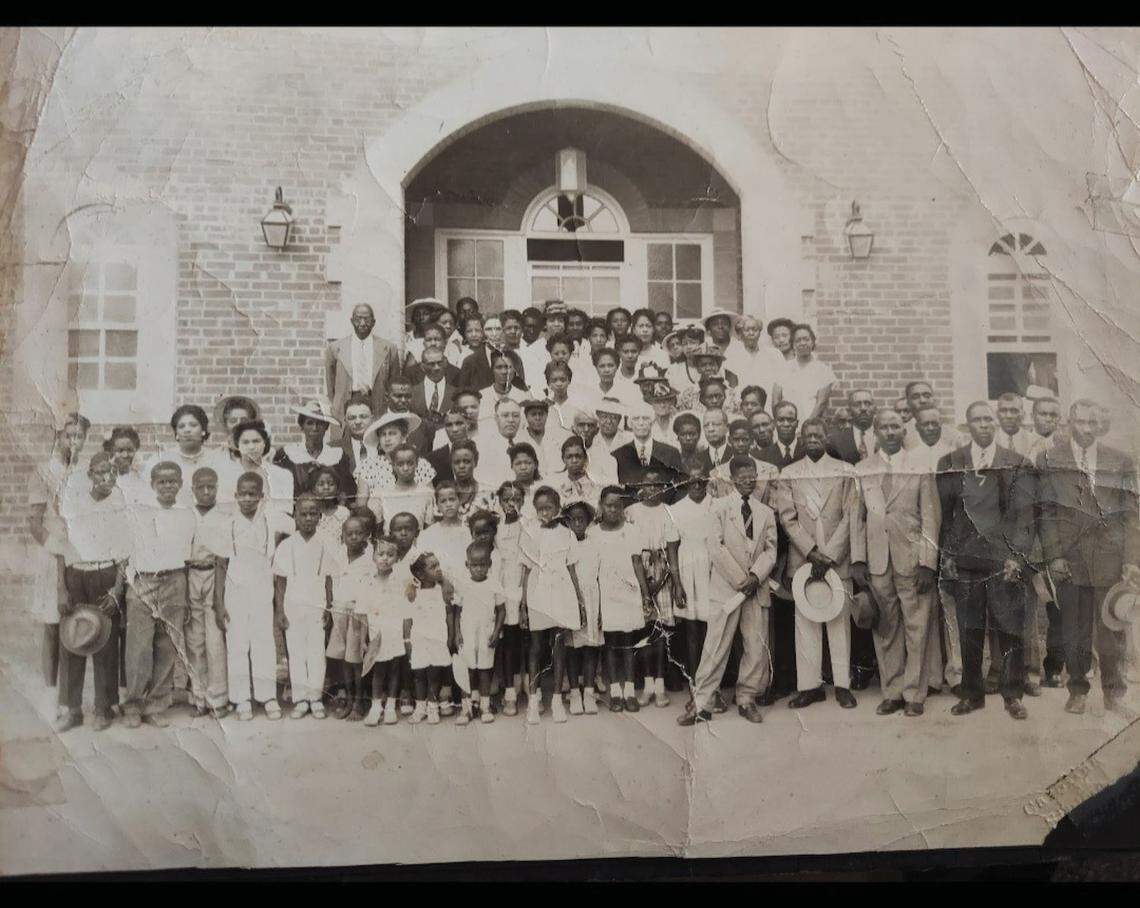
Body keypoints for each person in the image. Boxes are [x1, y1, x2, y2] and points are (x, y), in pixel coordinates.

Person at [1037, 400, 1140, 716]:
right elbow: (1046, 513)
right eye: (1080, 422)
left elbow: (1131, 515)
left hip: (1109, 559)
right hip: (1070, 559)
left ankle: (1114, 693)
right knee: (1074, 629)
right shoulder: (1050, 459)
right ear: (1068, 422)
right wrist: (1053, 555)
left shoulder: (1120, 461)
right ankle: (1077, 689)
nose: (1086, 429)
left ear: (1100, 425)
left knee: (1113, 629)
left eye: (1092, 423)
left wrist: (1131, 559)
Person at [937, 401, 1036, 721]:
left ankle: (1012, 695)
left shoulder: (1016, 462)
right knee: (969, 629)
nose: (983, 424)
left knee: (1009, 629)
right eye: (976, 420)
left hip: (1002, 560)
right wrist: (948, 556)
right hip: (966, 560)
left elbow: (1024, 517)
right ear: (968, 425)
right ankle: (972, 694)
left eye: (988, 420)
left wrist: (1016, 558)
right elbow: (945, 516)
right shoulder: (950, 462)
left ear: (995, 424)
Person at [850, 409, 941, 716]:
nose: (889, 432)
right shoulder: (863, 469)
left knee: (917, 625)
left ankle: (915, 693)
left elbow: (930, 517)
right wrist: (858, 559)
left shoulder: (919, 467)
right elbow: (857, 519)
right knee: (886, 627)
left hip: (912, 559)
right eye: (884, 427)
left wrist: (929, 563)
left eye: (895, 427)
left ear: (904, 430)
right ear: (875, 432)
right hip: (877, 561)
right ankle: (893, 690)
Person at [678, 456, 778, 725]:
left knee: (755, 646)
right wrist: (740, 579)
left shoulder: (765, 512)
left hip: (755, 588)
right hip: (726, 587)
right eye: (742, 476)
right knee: (715, 645)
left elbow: (771, 550)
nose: (748, 481)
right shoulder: (718, 508)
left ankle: (746, 698)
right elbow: (716, 547)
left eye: (752, 475)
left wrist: (756, 576)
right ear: (732, 479)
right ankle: (702, 703)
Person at [774, 419, 859, 711]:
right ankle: (809, 686)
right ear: (800, 439)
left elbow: (850, 516)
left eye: (818, 435)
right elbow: (788, 518)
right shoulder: (789, 474)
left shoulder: (845, 471)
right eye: (807, 435)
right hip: (804, 558)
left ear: (826, 438)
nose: (812, 439)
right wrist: (811, 552)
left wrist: (831, 553)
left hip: (837, 557)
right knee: (806, 622)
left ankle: (842, 685)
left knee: (839, 622)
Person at [54, 452, 129, 732]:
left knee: (105, 641)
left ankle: (103, 707)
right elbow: (61, 549)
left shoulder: (120, 505)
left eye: (110, 473)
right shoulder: (73, 503)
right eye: (100, 472)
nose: (106, 478)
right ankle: (71, 709)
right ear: (90, 475)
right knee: (72, 638)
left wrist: (117, 589)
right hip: (76, 574)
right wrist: (61, 588)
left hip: (105, 574)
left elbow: (125, 553)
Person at [209, 471, 291, 721]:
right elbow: (221, 565)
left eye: (252, 494)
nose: (246, 499)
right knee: (237, 645)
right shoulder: (228, 524)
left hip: (262, 589)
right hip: (235, 591)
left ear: (261, 496)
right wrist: (219, 602)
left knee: (263, 643)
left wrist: (280, 542)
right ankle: (241, 698)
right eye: (242, 494)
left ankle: (267, 697)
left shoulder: (271, 520)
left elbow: (294, 527)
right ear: (235, 496)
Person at [123, 461, 197, 728]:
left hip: (175, 579)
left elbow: (188, 555)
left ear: (180, 484)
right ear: (153, 484)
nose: (167, 486)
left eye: (172, 481)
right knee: (139, 647)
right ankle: (132, 704)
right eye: (162, 481)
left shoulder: (187, 514)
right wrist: (132, 583)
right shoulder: (139, 512)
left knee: (167, 646)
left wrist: (184, 590)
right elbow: (126, 549)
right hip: (143, 581)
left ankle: (155, 704)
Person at [29, 413, 89, 699]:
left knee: (76, 623)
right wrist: (58, 548)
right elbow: (34, 523)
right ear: (59, 437)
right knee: (52, 625)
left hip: (81, 555)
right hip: (54, 554)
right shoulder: (44, 471)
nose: (74, 441)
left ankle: (69, 694)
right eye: (69, 435)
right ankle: (49, 692)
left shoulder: (86, 472)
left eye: (79, 436)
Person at [519, 486, 586, 724]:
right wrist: (523, 606)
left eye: (548, 508)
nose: (544, 513)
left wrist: (579, 600)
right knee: (536, 646)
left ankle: (557, 698)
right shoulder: (529, 532)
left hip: (562, 591)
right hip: (537, 591)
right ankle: (534, 700)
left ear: (557, 509)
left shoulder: (566, 533)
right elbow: (526, 572)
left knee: (559, 643)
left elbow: (572, 569)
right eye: (540, 509)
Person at [273, 493, 341, 720]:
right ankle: (301, 698)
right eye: (304, 514)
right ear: (295, 516)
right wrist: (280, 611)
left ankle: (315, 697)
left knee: (316, 652)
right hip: (292, 604)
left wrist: (329, 608)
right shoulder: (286, 545)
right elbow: (280, 581)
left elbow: (330, 579)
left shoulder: (325, 544)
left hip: (317, 605)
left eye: (314, 514)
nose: (309, 518)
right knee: (296, 651)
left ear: (320, 516)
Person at [626, 467, 684, 707]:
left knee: (660, 633)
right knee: (644, 631)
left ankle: (660, 685)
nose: (652, 489)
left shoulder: (668, 512)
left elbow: (671, 550)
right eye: (648, 485)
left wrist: (675, 582)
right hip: (638, 570)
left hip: (663, 571)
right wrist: (643, 588)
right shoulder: (631, 512)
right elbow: (631, 553)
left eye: (658, 485)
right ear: (640, 486)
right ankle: (648, 684)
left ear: (664, 488)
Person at [592, 485, 654, 712]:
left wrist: (646, 595)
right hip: (605, 594)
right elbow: (593, 570)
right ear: (601, 506)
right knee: (611, 644)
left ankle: (629, 691)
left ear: (623, 507)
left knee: (628, 644)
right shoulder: (593, 533)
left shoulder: (632, 530)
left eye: (618, 505)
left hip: (628, 593)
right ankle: (615, 692)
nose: (613, 510)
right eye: (608, 505)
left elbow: (638, 563)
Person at [670, 469, 720, 709]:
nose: (697, 485)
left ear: (708, 481)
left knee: (714, 631)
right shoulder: (676, 509)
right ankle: (695, 688)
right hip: (688, 569)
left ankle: (713, 688)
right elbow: (671, 548)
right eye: (692, 481)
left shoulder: (718, 505)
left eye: (702, 481)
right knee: (692, 633)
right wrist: (677, 583)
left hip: (714, 570)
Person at [183, 467, 230, 718]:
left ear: (217, 487)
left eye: (210, 486)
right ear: (192, 489)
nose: (206, 491)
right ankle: (198, 696)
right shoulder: (186, 515)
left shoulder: (223, 515)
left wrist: (219, 597)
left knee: (214, 640)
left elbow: (223, 558)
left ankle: (218, 698)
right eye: (200, 487)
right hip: (190, 574)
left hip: (214, 574)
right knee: (194, 640)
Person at [449, 540, 506, 725]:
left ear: (489, 564)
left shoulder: (494, 584)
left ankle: (484, 706)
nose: (478, 569)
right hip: (467, 633)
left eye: (483, 565)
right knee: (467, 671)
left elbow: (501, 610)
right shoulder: (463, 584)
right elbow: (457, 612)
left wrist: (497, 632)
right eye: (474, 565)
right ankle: (467, 708)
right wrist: (457, 633)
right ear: (467, 565)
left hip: (486, 633)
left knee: (484, 670)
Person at [326, 303, 404, 435]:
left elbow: (393, 384)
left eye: (367, 319)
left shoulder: (388, 348)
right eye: (358, 319)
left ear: (373, 322)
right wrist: (338, 405)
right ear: (352, 321)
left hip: (376, 405)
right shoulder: (335, 348)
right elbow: (331, 385)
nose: (362, 323)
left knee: (375, 444)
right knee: (345, 448)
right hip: (346, 404)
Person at [329, 514, 373, 722]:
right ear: (343, 536)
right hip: (339, 609)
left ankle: (359, 699)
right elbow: (331, 581)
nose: (354, 537)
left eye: (359, 533)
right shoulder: (337, 554)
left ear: (366, 535)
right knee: (344, 659)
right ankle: (347, 697)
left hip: (359, 612)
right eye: (350, 534)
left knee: (357, 659)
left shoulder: (371, 556)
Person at [360, 536, 407, 726]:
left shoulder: (400, 581)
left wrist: (406, 636)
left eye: (390, 554)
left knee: (395, 669)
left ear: (396, 558)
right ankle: (376, 706)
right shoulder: (367, 582)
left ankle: (390, 707)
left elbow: (406, 611)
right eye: (381, 554)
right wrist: (363, 638)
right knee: (378, 671)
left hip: (395, 632)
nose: (385, 558)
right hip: (376, 633)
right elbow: (362, 613)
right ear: (373, 556)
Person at [405, 552, 456, 725]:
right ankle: (420, 707)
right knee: (419, 675)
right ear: (420, 574)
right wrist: (407, 641)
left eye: (438, 564)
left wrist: (450, 636)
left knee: (434, 676)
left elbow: (449, 615)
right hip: (419, 640)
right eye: (432, 567)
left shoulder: (442, 590)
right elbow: (408, 618)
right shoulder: (413, 592)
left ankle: (433, 706)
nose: (438, 569)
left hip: (437, 640)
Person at [355, 410, 435, 518]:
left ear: (403, 436)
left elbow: (431, 501)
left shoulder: (420, 464)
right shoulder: (367, 466)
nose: (387, 439)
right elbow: (361, 508)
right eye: (383, 434)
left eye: (392, 433)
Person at [492, 482, 528, 715]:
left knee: (522, 640)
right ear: (500, 501)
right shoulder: (496, 528)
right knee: (505, 643)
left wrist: (524, 599)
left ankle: (524, 684)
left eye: (516, 498)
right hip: (500, 586)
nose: (511, 503)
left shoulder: (527, 526)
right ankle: (509, 692)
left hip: (520, 586)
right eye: (506, 499)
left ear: (523, 502)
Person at [563, 500, 602, 716]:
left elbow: (598, 575)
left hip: (593, 597)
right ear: (567, 522)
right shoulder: (566, 544)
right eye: (573, 520)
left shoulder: (594, 543)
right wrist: (578, 602)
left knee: (591, 646)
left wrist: (599, 608)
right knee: (573, 648)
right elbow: (570, 573)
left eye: (582, 519)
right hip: (573, 598)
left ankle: (589, 691)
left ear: (588, 522)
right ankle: (575, 693)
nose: (577, 523)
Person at [149, 404, 228, 507]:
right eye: (181, 426)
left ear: (203, 431)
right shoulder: (161, 460)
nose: (187, 430)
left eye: (193, 425)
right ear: (176, 433)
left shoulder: (218, 460)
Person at [273, 398, 352, 498]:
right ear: (302, 426)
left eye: (320, 423)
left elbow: (346, 489)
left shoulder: (338, 455)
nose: (315, 428)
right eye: (310, 423)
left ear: (326, 427)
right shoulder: (287, 454)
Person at [220, 420, 295, 517]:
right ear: (238, 445)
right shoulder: (225, 474)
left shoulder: (282, 475)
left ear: (264, 443)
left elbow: (285, 512)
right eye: (245, 442)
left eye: (256, 441)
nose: (251, 447)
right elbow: (223, 510)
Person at [611, 402, 684, 498]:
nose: (641, 423)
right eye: (636, 419)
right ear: (630, 423)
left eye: (645, 418)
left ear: (652, 422)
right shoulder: (618, 455)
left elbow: (680, 488)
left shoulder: (671, 453)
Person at [772, 324, 835, 423]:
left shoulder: (823, 370)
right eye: (798, 340)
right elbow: (776, 400)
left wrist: (807, 426)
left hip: (812, 426)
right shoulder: (783, 368)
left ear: (813, 342)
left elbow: (821, 403)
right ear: (793, 344)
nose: (802, 343)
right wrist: (782, 424)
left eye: (806, 339)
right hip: (787, 425)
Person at [458, 315, 528, 392]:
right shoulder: (469, 362)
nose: (494, 333)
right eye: (489, 329)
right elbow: (463, 393)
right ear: (482, 333)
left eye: (498, 329)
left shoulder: (514, 358)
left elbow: (521, 390)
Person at [725, 315, 785, 402]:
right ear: (741, 333)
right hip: (742, 404)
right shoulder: (732, 355)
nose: (751, 333)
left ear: (760, 332)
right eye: (747, 330)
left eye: (754, 329)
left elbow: (780, 383)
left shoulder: (774, 354)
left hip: (768, 405)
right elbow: (731, 387)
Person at [409, 348, 457, 448]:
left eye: (440, 363)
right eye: (431, 364)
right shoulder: (411, 393)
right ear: (422, 366)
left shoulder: (456, 394)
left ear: (445, 363)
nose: (436, 368)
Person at [333, 393, 374, 501]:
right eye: (352, 418)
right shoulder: (333, 449)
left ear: (372, 419)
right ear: (345, 421)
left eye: (363, 416)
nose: (357, 422)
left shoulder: (383, 447)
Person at [477, 398, 524, 486]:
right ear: (496, 418)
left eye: (516, 415)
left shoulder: (527, 443)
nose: (511, 420)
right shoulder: (484, 448)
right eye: (505, 415)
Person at [476, 348, 529, 422]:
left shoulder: (523, 397)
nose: (504, 372)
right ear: (492, 370)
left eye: (508, 367)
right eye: (499, 367)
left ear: (514, 370)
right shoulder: (481, 397)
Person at [828, 389, 877, 464]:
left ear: (874, 408)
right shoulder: (836, 441)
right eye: (857, 404)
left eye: (867, 403)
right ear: (849, 410)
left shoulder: (885, 437)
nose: (863, 408)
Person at [555, 435, 603, 511]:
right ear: (563, 459)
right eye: (569, 457)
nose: (574, 461)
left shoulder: (596, 489)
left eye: (578, 456)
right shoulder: (558, 488)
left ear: (585, 458)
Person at [106, 425, 149, 506]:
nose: (125, 455)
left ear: (135, 449)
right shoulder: (106, 477)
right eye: (120, 450)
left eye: (130, 450)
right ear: (112, 451)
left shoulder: (141, 477)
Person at [213, 395, 260, 463]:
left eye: (244, 420)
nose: (238, 425)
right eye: (233, 421)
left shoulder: (263, 453)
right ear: (226, 425)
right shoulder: (215, 456)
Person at [674, 412, 714, 478]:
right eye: (683, 434)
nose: (688, 438)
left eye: (692, 434)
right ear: (678, 436)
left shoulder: (709, 458)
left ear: (698, 435)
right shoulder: (674, 460)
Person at [995, 392, 1033, 456]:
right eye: (1003, 411)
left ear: (1023, 415)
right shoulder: (990, 441)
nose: (1009, 416)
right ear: (997, 414)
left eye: (1014, 411)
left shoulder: (1034, 441)